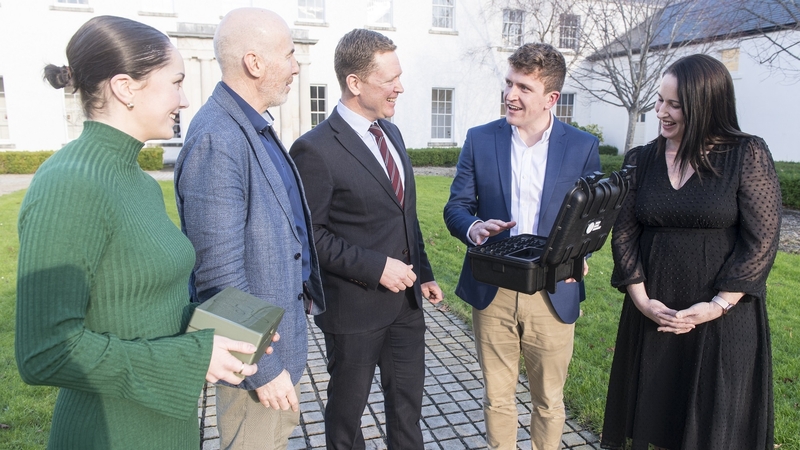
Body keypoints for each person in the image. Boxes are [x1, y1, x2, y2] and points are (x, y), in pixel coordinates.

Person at [15, 16, 263, 449]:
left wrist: (214, 335)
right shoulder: (71, 183)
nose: (184, 100)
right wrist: (192, 356)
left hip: (165, 425)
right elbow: (46, 351)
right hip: (111, 432)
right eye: (176, 82)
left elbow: (138, 305)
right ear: (125, 87)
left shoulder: (137, 179)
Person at [601, 54, 781, 450]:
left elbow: (762, 241)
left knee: (715, 429)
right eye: (659, 100)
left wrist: (718, 304)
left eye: (674, 104)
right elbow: (625, 235)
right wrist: (642, 300)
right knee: (660, 423)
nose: (660, 112)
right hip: (655, 314)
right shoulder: (641, 160)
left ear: (705, 105)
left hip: (723, 319)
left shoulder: (745, 154)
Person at [174, 8, 325, 450]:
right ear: (254, 63)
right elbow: (217, 276)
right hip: (256, 361)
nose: (297, 65)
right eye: (290, 54)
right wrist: (262, 367)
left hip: (277, 341)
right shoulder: (218, 138)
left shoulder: (251, 126)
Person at [289, 29, 443, 449]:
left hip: (407, 306)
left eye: (400, 76)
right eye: (389, 79)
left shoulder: (390, 133)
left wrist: (424, 273)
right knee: (346, 417)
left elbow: (404, 216)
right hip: (353, 312)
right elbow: (310, 237)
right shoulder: (314, 149)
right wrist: (376, 267)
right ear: (355, 83)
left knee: (407, 409)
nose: (400, 87)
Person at [443, 43, 600, 450]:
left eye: (524, 88)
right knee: (497, 398)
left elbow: (592, 220)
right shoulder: (480, 140)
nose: (510, 94)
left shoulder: (582, 147)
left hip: (552, 292)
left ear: (551, 98)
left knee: (548, 401)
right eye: (509, 83)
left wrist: (578, 254)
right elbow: (456, 207)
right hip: (492, 290)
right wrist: (475, 228)